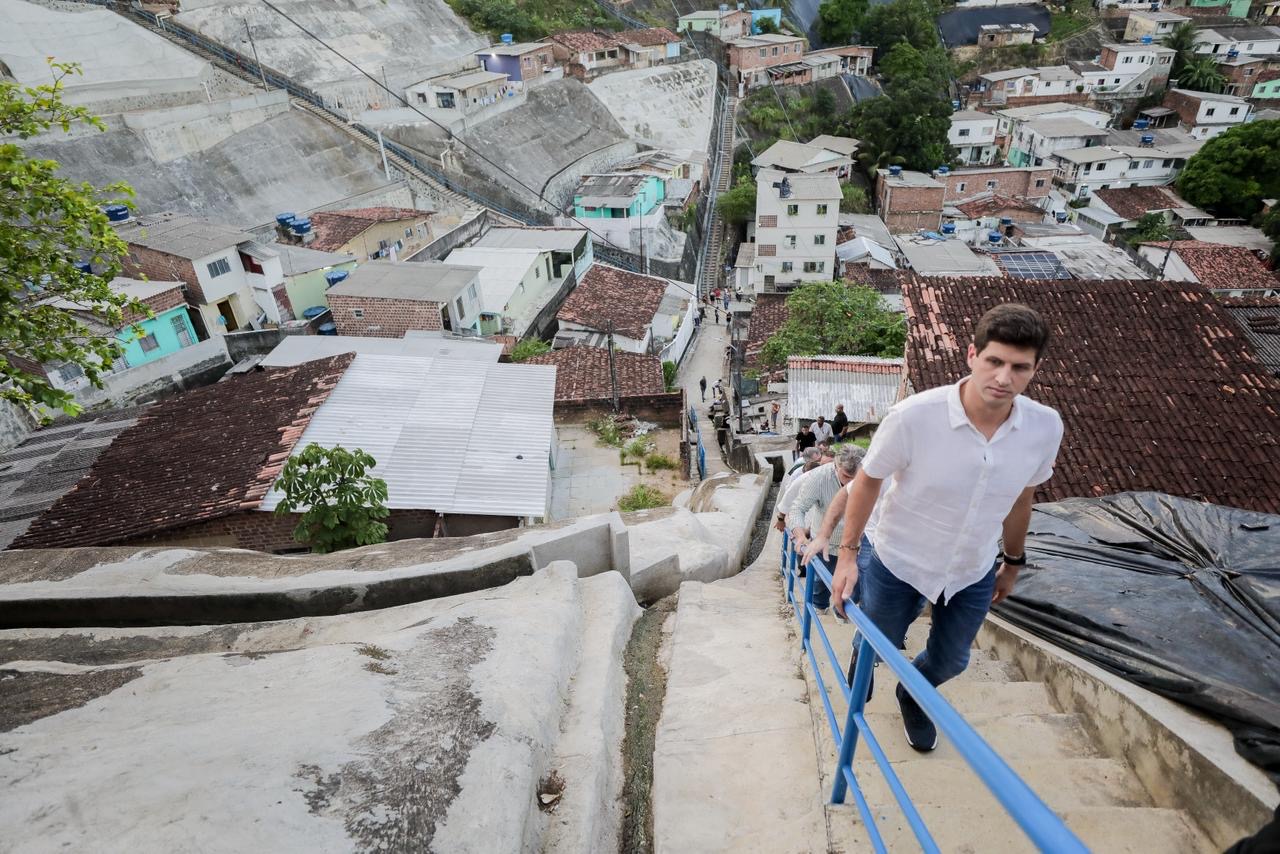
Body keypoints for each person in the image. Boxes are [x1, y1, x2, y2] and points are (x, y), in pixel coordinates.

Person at [827, 303, 1063, 752]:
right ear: (972, 355)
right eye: (994, 361)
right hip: (900, 559)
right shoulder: (915, 416)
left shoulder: (1044, 427)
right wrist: (847, 555)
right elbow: (868, 480)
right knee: (879, 638)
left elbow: (1022, 497)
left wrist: (1013, 563)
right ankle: (864, 653)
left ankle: (914, 693)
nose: (1004, 378)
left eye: (1019, 367)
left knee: (953, 659)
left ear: (1035, 369)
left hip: (972, 568)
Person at [787, 446, 866, 614]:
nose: (851, 483)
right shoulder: (819, 477)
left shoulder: (871, 476)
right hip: (825, 544)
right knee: (820, 583)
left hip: (858, 545)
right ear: (836, 466)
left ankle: (843, 613)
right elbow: (797, 508)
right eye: (846, 476)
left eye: (856, 478)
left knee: (853, 587)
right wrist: (800, 536)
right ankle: (820, 608)